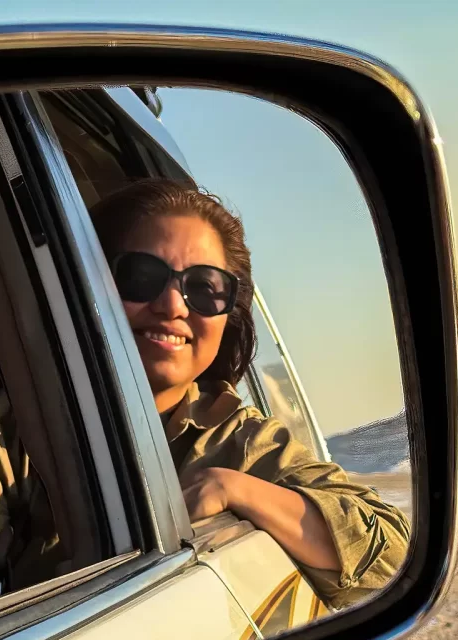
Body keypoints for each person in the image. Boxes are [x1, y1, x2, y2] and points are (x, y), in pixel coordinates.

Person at [90, 178, 411, 609]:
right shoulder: (3, 432)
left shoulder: (239, 443)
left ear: (229, 316)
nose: (173, 305)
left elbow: (392, 557)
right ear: (88, 284)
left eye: (204, 287)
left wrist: (231, 488)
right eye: (140, 277)